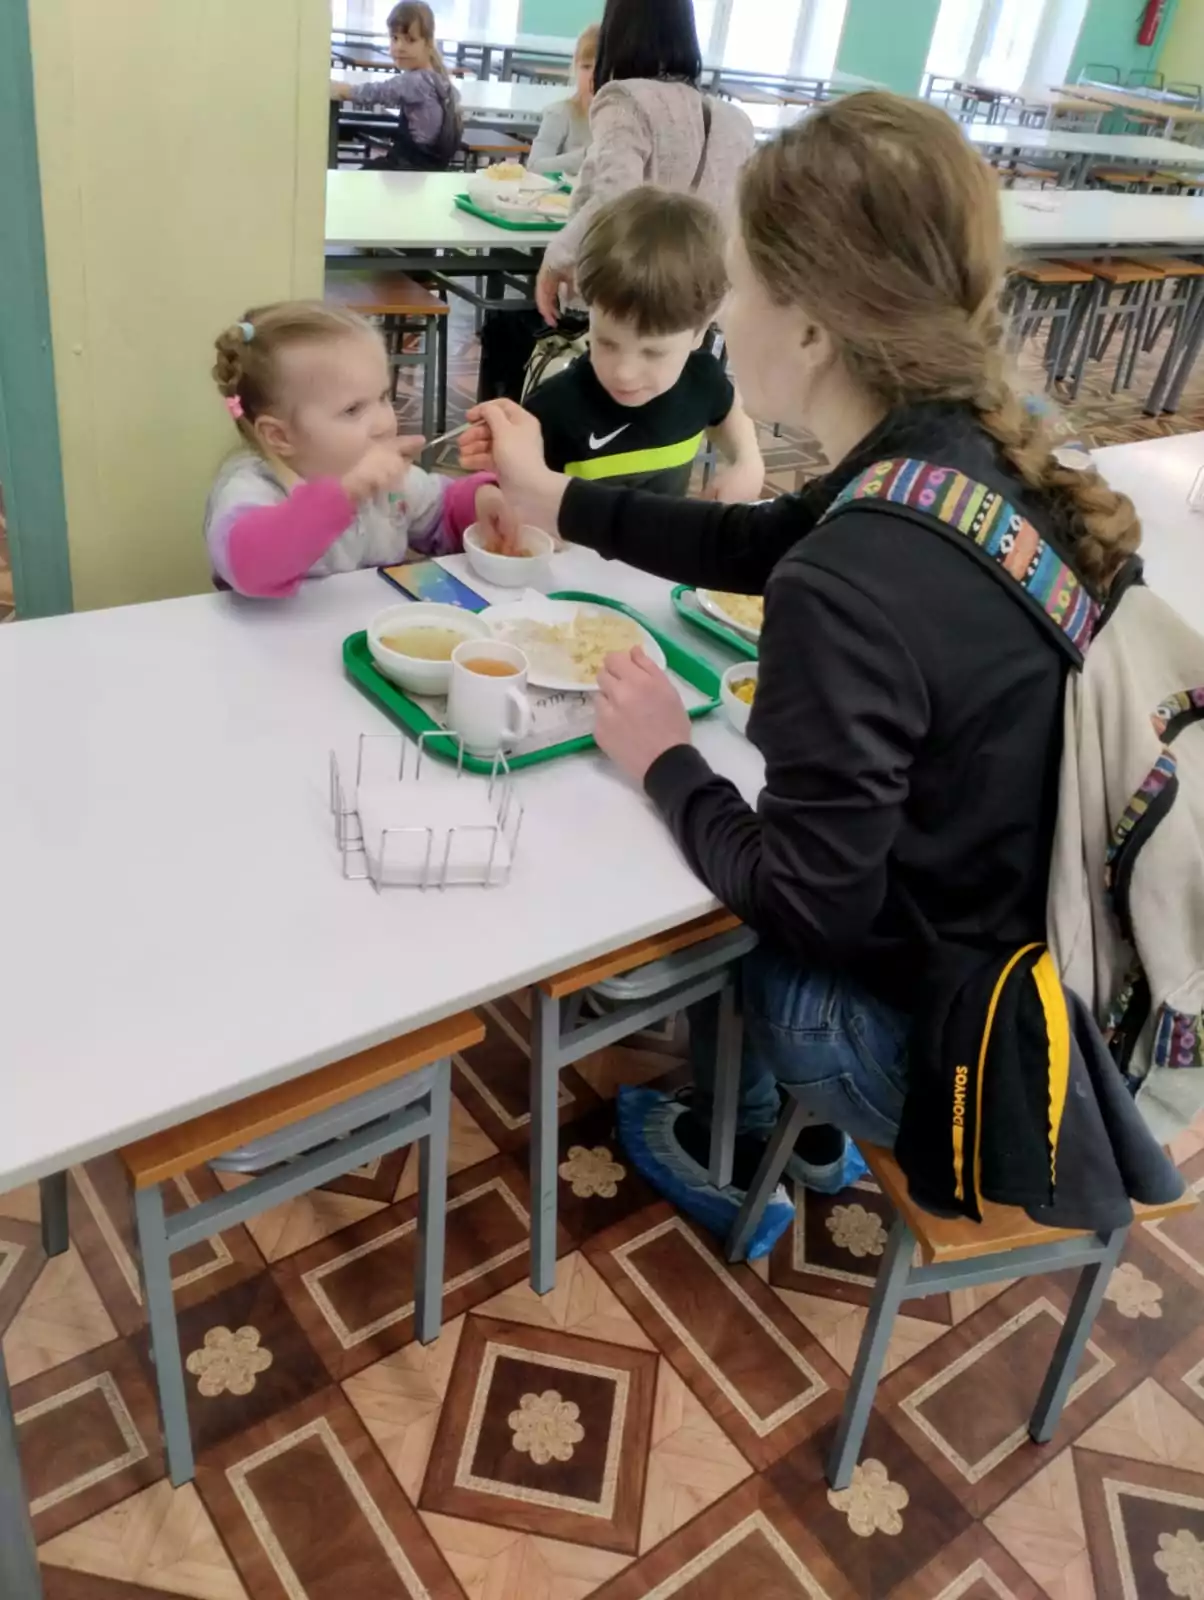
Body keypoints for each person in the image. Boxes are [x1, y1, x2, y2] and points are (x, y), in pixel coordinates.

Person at [461, 93, 1143, 1205]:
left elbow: (806, 906)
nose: (725, 314)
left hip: (970, 1068)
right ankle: (805, 1135)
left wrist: (665, 759)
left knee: (740, 935)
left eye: (739, 287)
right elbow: (761, 537)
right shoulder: (960, 444)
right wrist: (553, 498)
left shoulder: (852, 580)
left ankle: (750, 1139)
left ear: (814, 327)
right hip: (1054, 983)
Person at [205, 302, 514, 597]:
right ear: (279, 436)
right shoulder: (251, 489)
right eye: (352, 409)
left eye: (383, 397)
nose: (384, 423)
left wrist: (480, 504)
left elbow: (439, 512)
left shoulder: (386, 479)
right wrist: (345, 495)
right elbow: (251, 567)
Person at [525, 187, 763, 501]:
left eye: (653, 352)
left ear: (700, 331)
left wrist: (748, 461)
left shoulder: (701, 379)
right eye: (606, 343)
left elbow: (728, 408)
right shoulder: (554, 407)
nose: (624, 372)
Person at [535, 0, 755, 325]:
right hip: (698, 305)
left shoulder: (625, 98)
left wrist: (556, 256)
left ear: (618, 27)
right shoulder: (736, 120)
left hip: (628, 297)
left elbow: (615, 197)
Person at [331, 1, 461, 172]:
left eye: (410, 40)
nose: (399, 47)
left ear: (428, 43)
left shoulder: (416, 81)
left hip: (409, 170)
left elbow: (378, 92)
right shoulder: (441, 80)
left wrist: (344, 90)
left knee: (356, 180)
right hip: (428, 170)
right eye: (395, 38)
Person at [527, 24, 599, 177]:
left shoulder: (623, 119)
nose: (593, 76)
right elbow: (534, 166)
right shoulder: (560, 113)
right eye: (586, 67)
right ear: (575, 68)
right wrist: (587, 155)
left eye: (601, 68)